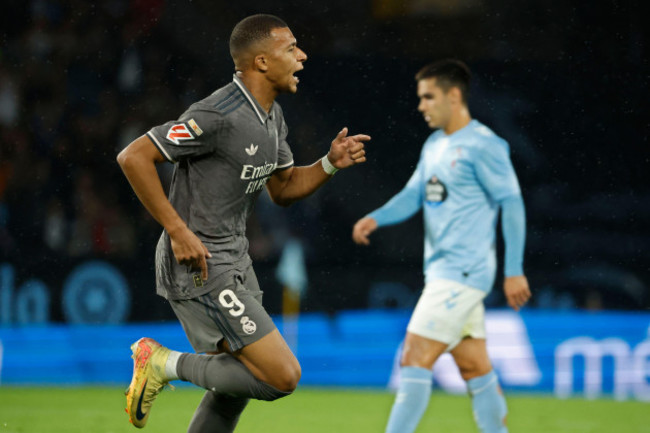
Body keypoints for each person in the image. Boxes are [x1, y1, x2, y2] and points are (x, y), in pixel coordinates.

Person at [118, 14, 370, 431]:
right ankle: (161, 362)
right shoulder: (217, 114)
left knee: (235, 387)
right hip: (199, 263)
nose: (303, 56)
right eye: (291, 48)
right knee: (281, 376)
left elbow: (284, 189)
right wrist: (178, 230)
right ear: (261, 62)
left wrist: (329, 164)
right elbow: (134, 156)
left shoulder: (272, 118)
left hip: (233, 260)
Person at [352, 59, 530, 433]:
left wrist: (514, 270)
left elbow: (512, 203)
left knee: (414, 357)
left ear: (454, 95)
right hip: (444, 273)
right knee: (474, 367)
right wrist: (376, 217)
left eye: (428, 97)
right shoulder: (435, 144)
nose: (421, 106)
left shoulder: (485, 145)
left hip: (462, 274)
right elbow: (414, 195)